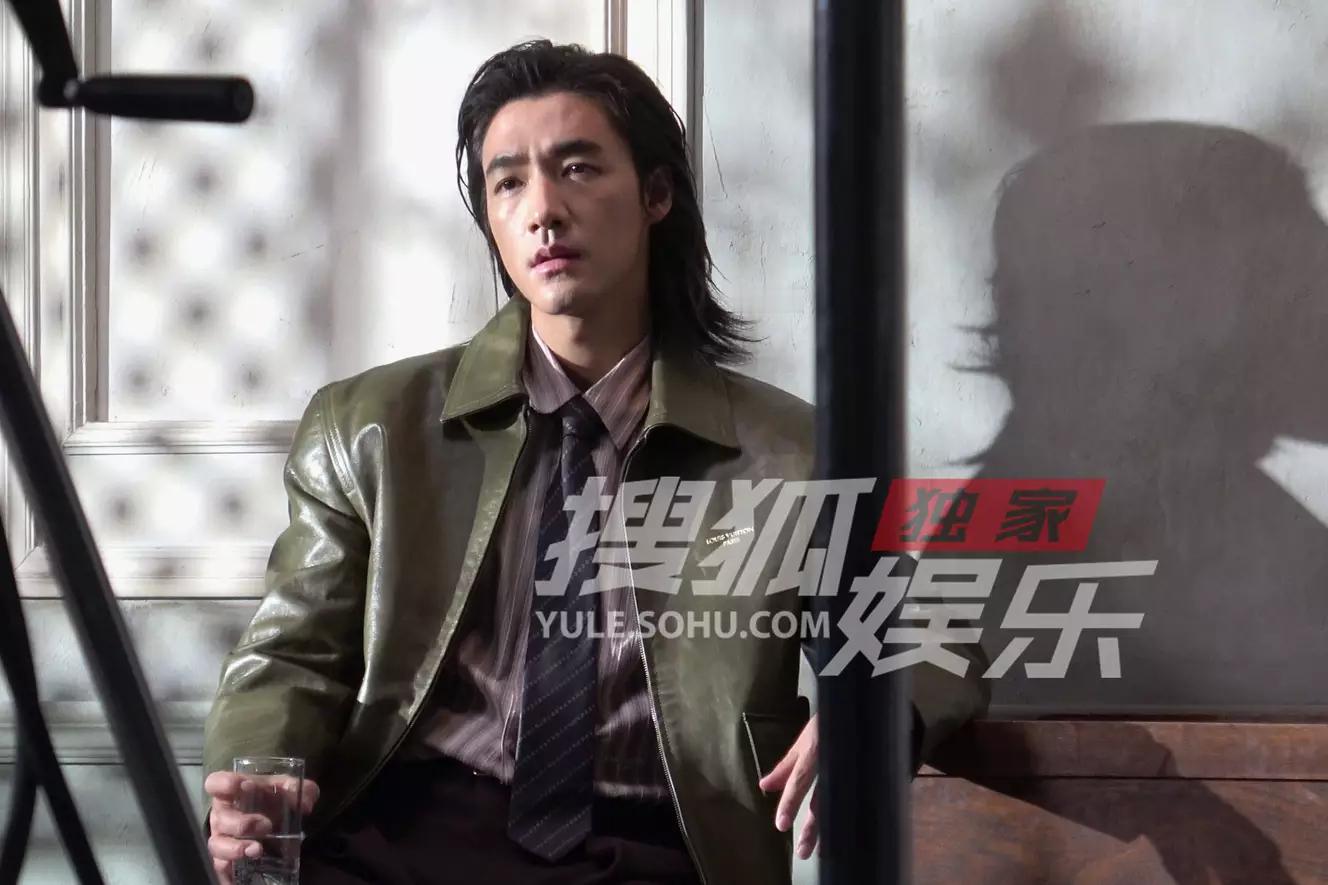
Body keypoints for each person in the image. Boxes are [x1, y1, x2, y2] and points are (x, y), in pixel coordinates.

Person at [202, 39, 986, 885]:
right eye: (509, 183)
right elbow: (294, 656)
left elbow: (928, 631)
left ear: (656, 195)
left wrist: (872, 708)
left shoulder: (789, 455)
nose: (543, 209)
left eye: (577, 169)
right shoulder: (371, 428)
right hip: (401, 842)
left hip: (650, 852)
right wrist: (253, 778)